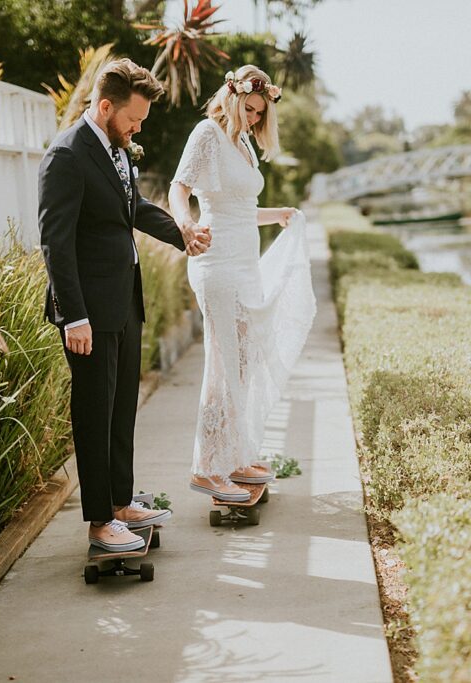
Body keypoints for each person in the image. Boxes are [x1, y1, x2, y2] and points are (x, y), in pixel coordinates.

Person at [39, 59, 211, 552]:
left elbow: (133, 207)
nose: (138, 129)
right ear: (105, 105)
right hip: (87, 313)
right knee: (94, 413)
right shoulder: (67, 155)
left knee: (120, 410)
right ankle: (98, 521)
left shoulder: (115, 150)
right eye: (134, 119)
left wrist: (184, 233)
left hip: (123, 303)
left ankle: (119, 503)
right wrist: (74, 315)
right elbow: (56, 242)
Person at [169, 65, 316, 502]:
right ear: (231, 96)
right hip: (216, 263)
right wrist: (185, 223)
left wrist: (280, 214)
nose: (252, 118)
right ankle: (206, 468)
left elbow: (240, 210)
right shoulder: (207, 135)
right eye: (248, 108)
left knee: (242, 364)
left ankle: (233, 456)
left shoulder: (245, 144)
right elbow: (180, 187)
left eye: (259, 113)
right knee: (223, 362)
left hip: (245, 262)